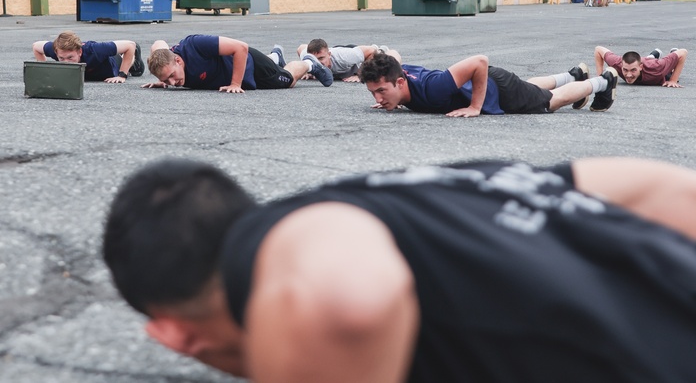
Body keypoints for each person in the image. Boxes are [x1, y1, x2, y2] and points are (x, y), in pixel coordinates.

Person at [102, 156, 696, 382]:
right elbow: (660, 190)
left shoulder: (289, 234)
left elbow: (347, 303)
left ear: (173, 335)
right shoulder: (437, 185)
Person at [360, 51, 616, 115]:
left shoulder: (433, 88)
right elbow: (392, 55)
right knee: (529, 87)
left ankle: (603, 82)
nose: (378, 98)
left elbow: (479, 62)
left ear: (401, 81)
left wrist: (475, 107)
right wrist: (386, 98)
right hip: (493, 82)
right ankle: (572, 75)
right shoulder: (395, 70)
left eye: (381, 91)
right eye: (374, 94)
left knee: (551, 101)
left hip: (499, 91)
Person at [141, 34, 333, 92]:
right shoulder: (167, 59)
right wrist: (164, 79)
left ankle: (309, 63)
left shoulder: (195, 45)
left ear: (178, 60)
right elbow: (158, 44)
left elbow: (241, 47)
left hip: (250, 63)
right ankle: (275, 56)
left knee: (288, 81)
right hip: (237, 67)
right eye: (168, 80)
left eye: (172, 76)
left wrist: (235, 84)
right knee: (275, 66)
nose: (173, 83)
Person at [32, 30, 144, 83]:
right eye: (61, 58)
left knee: (134, 66)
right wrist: (44, 72)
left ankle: (135, 58)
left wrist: (122, 75)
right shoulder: (56, 50)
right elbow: (36, 46)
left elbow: (130, 45)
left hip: (112, 64)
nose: (65, 62)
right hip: (91, 72)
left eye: (70, 58)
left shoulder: (95, 50)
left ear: (80, 52)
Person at [296, 39, 399, 83]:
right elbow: (301, 47)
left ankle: (381, 50)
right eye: (314, 59)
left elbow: (369, 51)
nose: (318, 63)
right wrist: (306, 69)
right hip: (340, 49)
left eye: (321, 58)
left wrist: (360, 74)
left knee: (379, 60)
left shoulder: (344, 58)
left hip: (352, 55)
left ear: (329, 55)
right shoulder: (308, 57)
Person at [594, 45, 687, 88]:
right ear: (621, 66)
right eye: (625, 70)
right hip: (645, 61)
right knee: (648, 59)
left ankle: (672, 52)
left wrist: (673, 80)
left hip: (655, 68)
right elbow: (598, 49)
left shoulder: (657, 67)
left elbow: (683, 52)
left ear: (641, 67)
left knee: (668, 73)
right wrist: (600, 77)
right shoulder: (617, 63)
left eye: (633, 70)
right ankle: (653, 55)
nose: (629, 75)